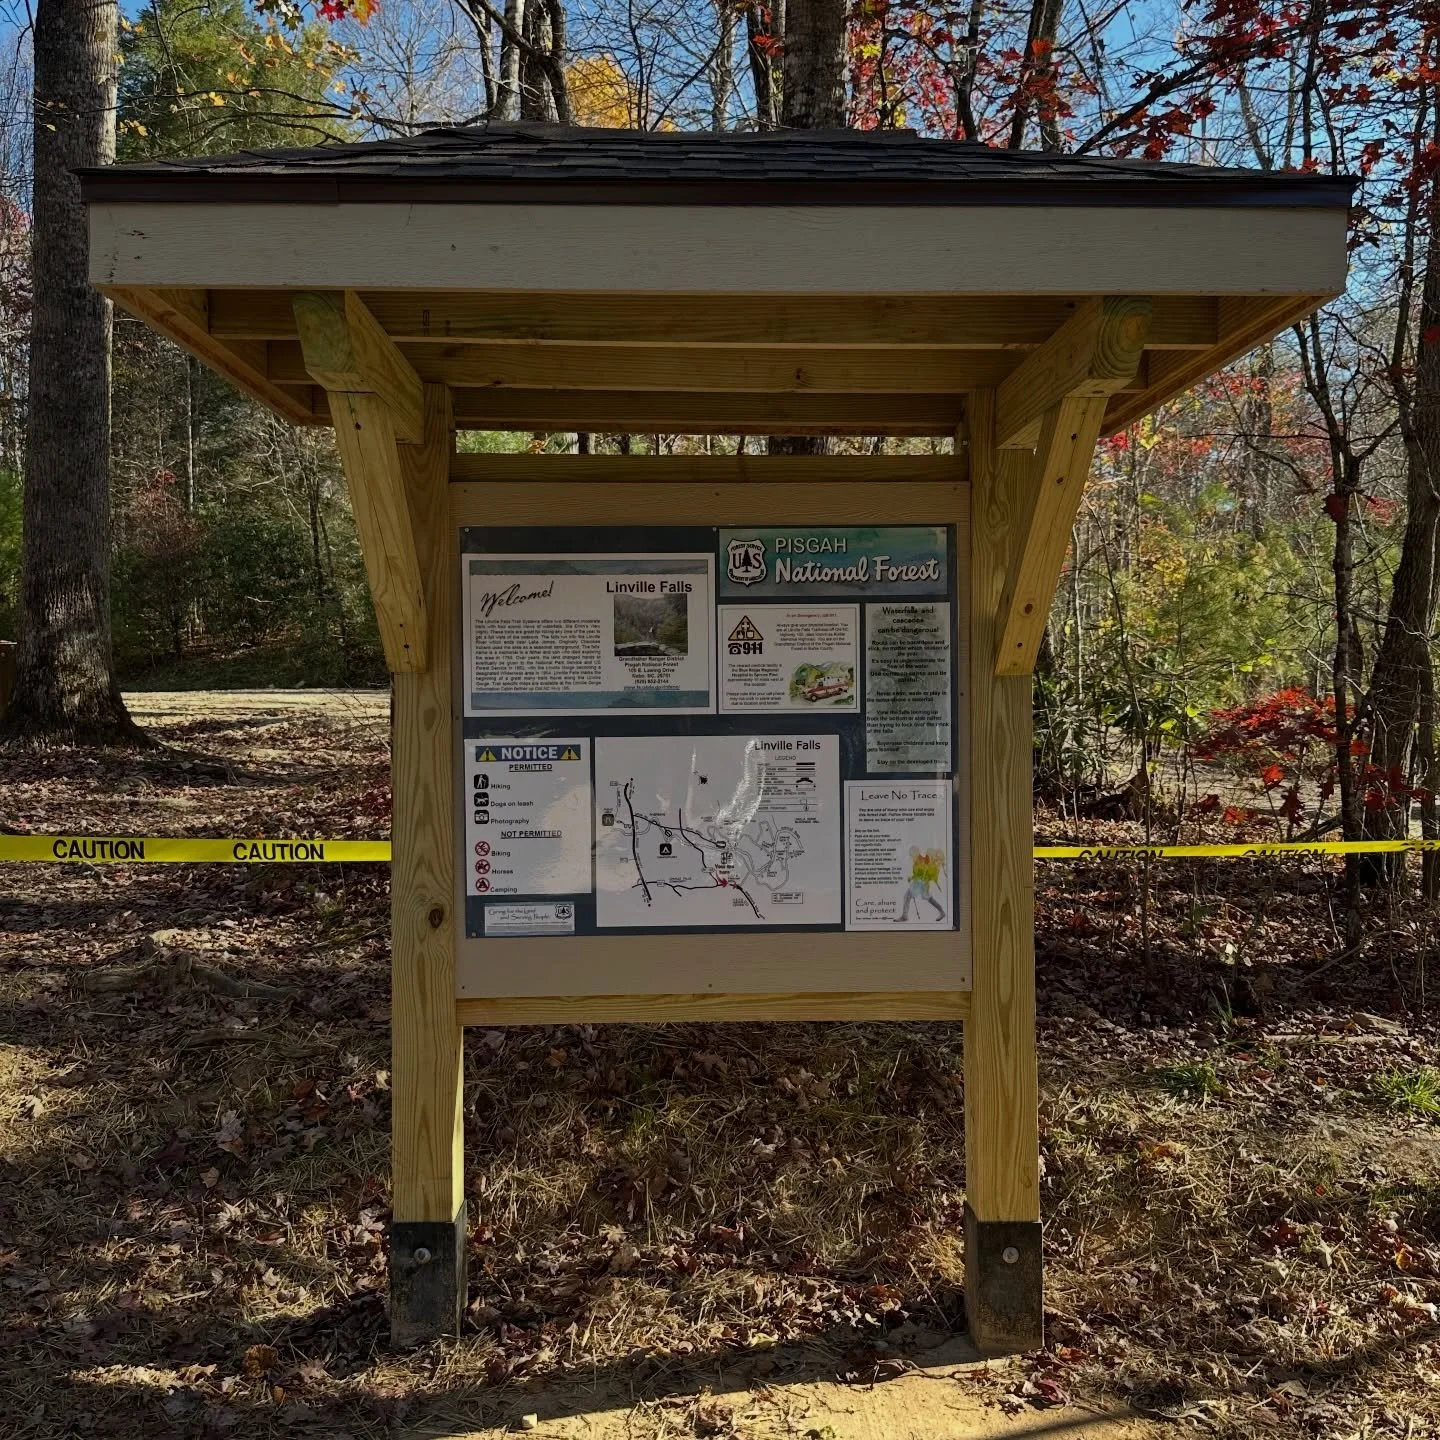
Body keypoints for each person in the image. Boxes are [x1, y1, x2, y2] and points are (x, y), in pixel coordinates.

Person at [901, 846, 946, 921]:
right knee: (928, 898)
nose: (911, 856)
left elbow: (922, 874)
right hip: (923, 883)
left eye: (911, 854)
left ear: (916, 852)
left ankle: (904, 916)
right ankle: (942, 911)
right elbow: (918, 874)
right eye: (910, 854)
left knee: (907, 896)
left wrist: (913, 878)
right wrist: (911, 878)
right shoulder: (917, 861)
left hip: (921, 883)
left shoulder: (921, 860)